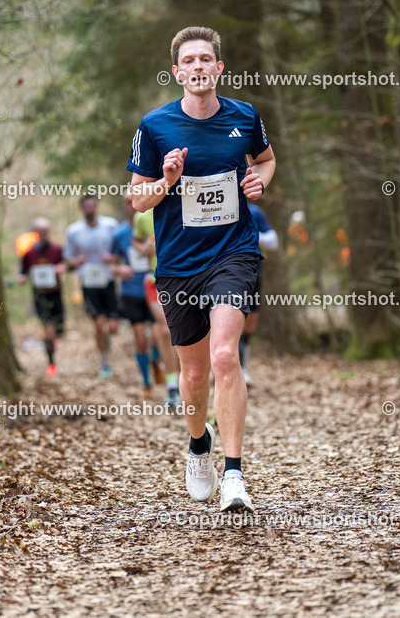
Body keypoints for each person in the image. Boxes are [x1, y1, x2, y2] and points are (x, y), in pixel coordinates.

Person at [127, 26, 275, 513]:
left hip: (233, 252)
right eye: (188, 61)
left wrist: (257, 182)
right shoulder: (155, 126)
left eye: (205, 59)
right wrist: (166, 179)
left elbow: (267, 160)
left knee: (225, 356)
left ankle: (234, 474)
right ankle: (198, 446)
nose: (197, 67)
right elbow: (136, 200)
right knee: (193, 374)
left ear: (218, 67)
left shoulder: (244, 116)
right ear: (176, 72)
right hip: (178, 264)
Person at [111, 192, 165, 398]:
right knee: (140, 337)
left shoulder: (158, 219)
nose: (132, 205)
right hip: (131, 291)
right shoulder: (119, 235)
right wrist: (119, 269)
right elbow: (113, 264)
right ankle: (146, 382)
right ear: (125, 205)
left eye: (134, 200)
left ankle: (158, 360)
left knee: (160, 334)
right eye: (128, 202)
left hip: (156, 284)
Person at [64, 195, 120, 378]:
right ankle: (105, 362)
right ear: (81, 209)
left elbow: (121, 251)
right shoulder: (74, 231)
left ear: (96, 207)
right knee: (98, 325)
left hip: (108, 280)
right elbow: (68, 260)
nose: (90, 209)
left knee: (112, 326)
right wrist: (76, 261)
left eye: (92, 206)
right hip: (88, 283)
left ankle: (107, 338)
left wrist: (112, 259)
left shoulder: (110, 226)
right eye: (86, 207)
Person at [133, 207, 181, 407]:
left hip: (182, 277)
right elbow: (136, 240)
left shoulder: (180, 204)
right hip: (155, 279)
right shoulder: (142, 215)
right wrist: (144, 249)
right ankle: (172, 384)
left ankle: (183, 380)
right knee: (166, 327)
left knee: (179, 329)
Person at [19, 218, 66, 377]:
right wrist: (22, 278)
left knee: (59, 331)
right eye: (40, 231)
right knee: (48, 330)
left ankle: (53, 340)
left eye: (46, 231)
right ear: (36, 232)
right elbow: (23, 271)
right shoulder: (30, 253)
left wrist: (62, 267)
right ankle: (51, 363)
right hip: (40, 296)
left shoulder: (57, 250)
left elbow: (67, 264)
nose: (43, 234)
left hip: (56, 294)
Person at [240, 201, 279, 386]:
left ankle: (242, 366)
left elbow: (273, 241)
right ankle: (236, 369)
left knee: (249, 324)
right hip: (224, 276)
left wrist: (253, 234)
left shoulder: (255, 211)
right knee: (232, 321)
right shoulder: (218, 207)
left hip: (254, 274)